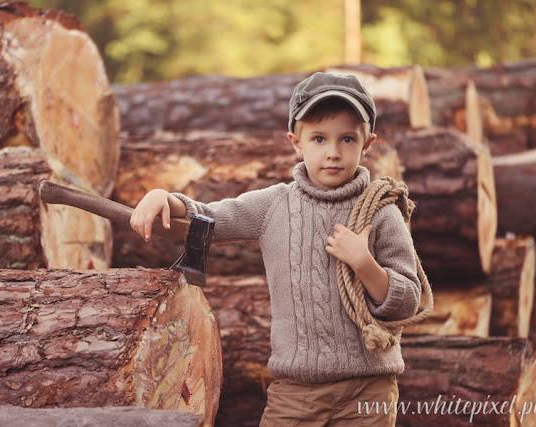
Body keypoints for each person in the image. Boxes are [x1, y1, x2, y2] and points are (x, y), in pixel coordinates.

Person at [130, 72, 421, 426]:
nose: (333, 152)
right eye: (318, 138)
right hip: (295, 393)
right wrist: (164, 197)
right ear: (295, 142)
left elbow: (409, 300)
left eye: (347, 139)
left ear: (368, 143)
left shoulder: (381, 210)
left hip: (368, 391)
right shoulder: (273, 205)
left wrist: (365, 265)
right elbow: (208, 217)